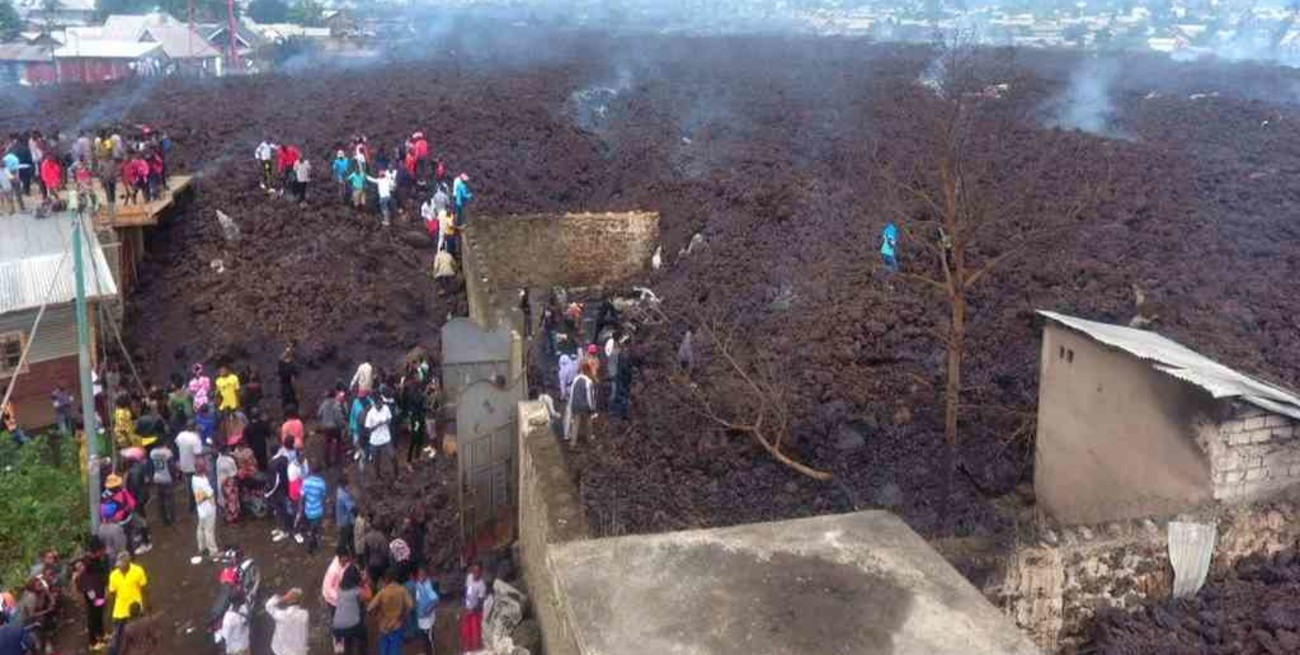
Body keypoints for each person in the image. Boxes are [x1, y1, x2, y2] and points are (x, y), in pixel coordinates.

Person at [72, 536, 110, 651]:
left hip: (100, 591)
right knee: (93, 617)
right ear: (97, 551)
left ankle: (101, 634)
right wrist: (93, 598)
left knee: (99, 614)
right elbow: (84, 582)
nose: (104, 551)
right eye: (102, 550)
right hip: (93, 596)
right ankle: (93, 642)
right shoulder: (87, 564)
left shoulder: (97, 560)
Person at [106, 552, 148, 648]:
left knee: (140, 630)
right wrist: (111, 609)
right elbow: (112, 593)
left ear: (128, 563)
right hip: (120, 608)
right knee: (116, 635)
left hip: (135, 606)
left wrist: (146, 604)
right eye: (118, 565)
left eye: (121, 565)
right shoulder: (113, 575)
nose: (119, 567)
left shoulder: (138, 571)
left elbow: (144, 588)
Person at [368, 568, 413, 655]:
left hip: (384, 626)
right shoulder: (402, 590)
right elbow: (410, 606)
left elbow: (370, 608)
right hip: (397, 625)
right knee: (396, 650)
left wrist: (378, 616)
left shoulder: (383, 592)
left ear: (386, 579)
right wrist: (402, 617)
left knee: (384, 650)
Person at [332, 566, 369, 655]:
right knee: (363, 635)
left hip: (337, 627)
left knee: (348, 638)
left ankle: (348, 650)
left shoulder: (339, 589)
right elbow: (368, 596)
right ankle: (362, 652)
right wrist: (364, 584)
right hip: (353, 625)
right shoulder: (357, 591)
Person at [266, 438, 295, 542]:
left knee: (281, 510)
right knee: (283, 510)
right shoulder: (284, 459)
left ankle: (285, 531)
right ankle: (283, 529)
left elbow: (275, 480)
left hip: (279, 490)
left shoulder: (273, 463)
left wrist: (269, 492)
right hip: (285, 489)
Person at [564, 359, 598, 448]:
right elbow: (590, 397)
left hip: (575, 405)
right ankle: (589, 440)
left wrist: (571, 406)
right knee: (588, 423)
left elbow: (572, 394)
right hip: (584, 407)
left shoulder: (575, 379)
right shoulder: (589, 382)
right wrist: (592, 409)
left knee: (575, 424)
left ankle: (572, 443)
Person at [265, 589, 309, 655]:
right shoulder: (305, 615)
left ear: (288, 599)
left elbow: (268, 606)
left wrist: (283, 598)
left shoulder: (282, 616)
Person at [192, 458, 218, 563]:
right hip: (208, 509)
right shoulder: (202, 481)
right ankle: (213, 551)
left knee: (201, 528)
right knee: (209, 530)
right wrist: (214, 505)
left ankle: (201, 547)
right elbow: (210, 494)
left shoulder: (194, 478)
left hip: (201, 508)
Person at [365, 395, 397, 479]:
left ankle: (396, 474)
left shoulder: (386, 408)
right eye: (379, 404)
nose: (380, 405)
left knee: (392, 456)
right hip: (375, 441)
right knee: (376, 460)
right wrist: (377, 425)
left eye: (381, 403)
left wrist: (386, 422)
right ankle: (377, 476)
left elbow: (390, 419)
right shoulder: (370, 413)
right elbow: (368, 429)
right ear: (375, 404)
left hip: (386, 437)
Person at [174, 421, 202, 513]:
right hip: (194, 466)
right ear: (194, 427)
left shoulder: (181, 435)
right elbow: (198, 453)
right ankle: (197, 506)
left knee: (189, 487)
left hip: (184, 465)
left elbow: (176, 444)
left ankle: (191, 507)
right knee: (197, 487)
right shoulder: (195, 438)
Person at [412, 566, 439, 655]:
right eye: (419, 574)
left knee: (429, 639)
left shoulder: (428, 586)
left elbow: (435, 600)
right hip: (421, 618)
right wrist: (418, 611)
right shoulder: (418, 584)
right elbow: (418, 600)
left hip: (428, 619)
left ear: (426, 575)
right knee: (423, 638)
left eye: (423, 574)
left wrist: (427, 611)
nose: (421, 576)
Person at [460, 564, 487, 652]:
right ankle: (466, 650)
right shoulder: (469, 577)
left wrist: (472, 611)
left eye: (477, 572)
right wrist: (464, 606)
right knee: (465, 632)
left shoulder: (482, 585)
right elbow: (466, 591)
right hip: (467, 609)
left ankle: (476, 651)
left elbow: (480, 603)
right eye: (474, 571)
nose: (475, 573)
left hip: (476, 613)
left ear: (481, 573)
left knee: (475, 633)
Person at [148, 443, 176, 526]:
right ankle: (171, 518)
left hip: (157, 478)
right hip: (167, 478)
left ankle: (163, 519)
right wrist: (174, 476)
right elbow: (171, 466)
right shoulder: (167, 452)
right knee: (170, 499)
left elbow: (151, 466)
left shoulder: (152, 452)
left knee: (160, 500)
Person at [301, 468, 327, 554]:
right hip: (318, 510)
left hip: (308, 510)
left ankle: (313, 543)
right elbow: (323, 497)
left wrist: (302, 508)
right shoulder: (321, 483)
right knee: (315, 530)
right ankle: (312, 546)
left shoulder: (305, 481)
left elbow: (302, 496)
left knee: (312, 528)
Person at [316, 389, 345, 468]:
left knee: (328, 444)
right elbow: (338, 416)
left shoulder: (324, 403)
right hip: (335, 427)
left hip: (326, 428)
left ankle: (327, 461)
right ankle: (337, 460)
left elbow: (319, 414)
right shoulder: (336, 403)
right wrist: (342, 424)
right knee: (338, 443)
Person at [361, 517, 390, 585]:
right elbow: (385, 553)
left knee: (373, 583)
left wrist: (366, 565)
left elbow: (365, 553)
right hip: (381, 564)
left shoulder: (367, 537)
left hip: (371, 564)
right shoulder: (382, 537)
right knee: (385, 583)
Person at [335, 474, 357, 549]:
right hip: (346, 522)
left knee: (349, 540)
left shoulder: (340, 490)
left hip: (343, 520)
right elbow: (352, 508)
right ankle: (341, 554)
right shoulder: (343, 495)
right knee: (344, 540)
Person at [278, 345, 299, 411]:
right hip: (288, 386)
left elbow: (280, 358)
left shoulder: (283, 364)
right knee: (292, 401)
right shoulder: (291, 364)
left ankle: (287, 414)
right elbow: (294, 378)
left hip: (285, 385)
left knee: (286, 401)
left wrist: (288, 350)